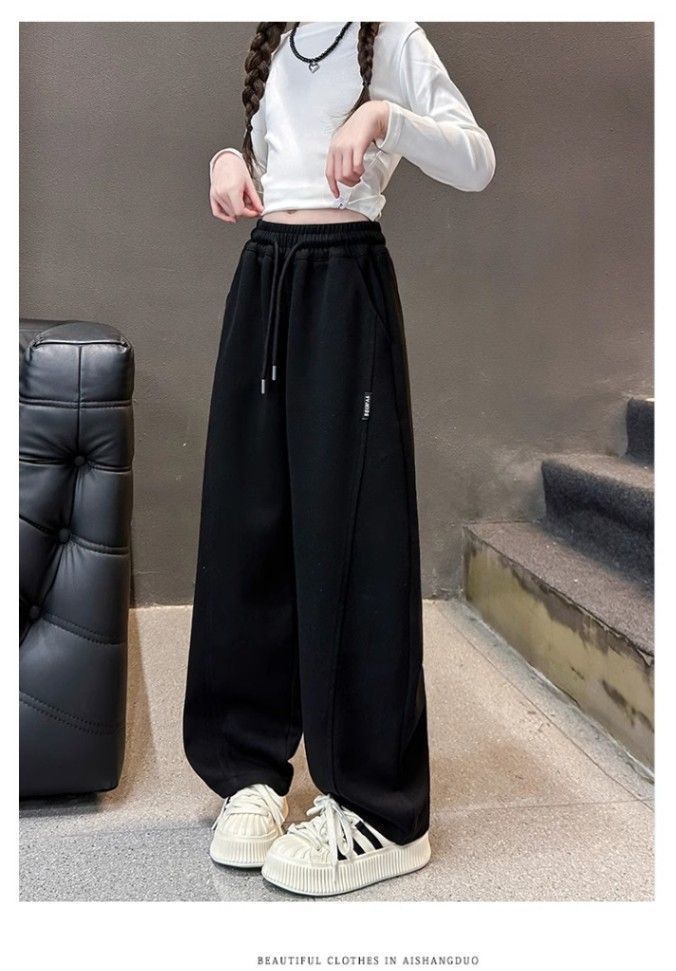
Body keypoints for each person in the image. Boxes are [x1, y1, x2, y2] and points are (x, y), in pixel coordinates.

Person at [183, 21, 495, 897]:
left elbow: (477, 159)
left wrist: (384, 118)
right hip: (265, 278)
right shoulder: (278, 31)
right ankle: (250, 769)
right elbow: (274, 160)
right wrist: (229, 159)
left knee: (352, 538)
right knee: (248, 527)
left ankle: (380, 808)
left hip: (344, 283)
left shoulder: (387, 29)